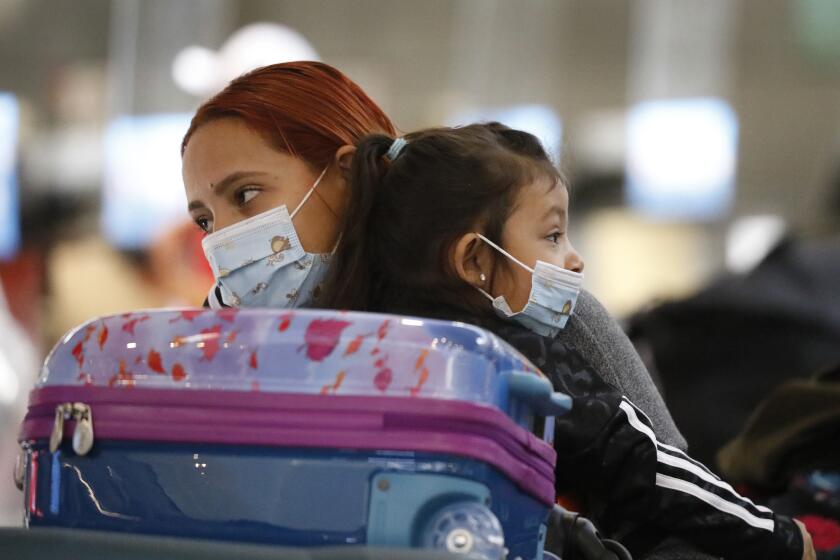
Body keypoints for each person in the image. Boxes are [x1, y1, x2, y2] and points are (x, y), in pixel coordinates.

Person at [318, 122, 815, 560]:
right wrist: (776, 534)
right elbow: (647, 464)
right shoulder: (518, 358)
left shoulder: (361, 350)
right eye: (553, 236)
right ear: (474, 261)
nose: (574, 260)